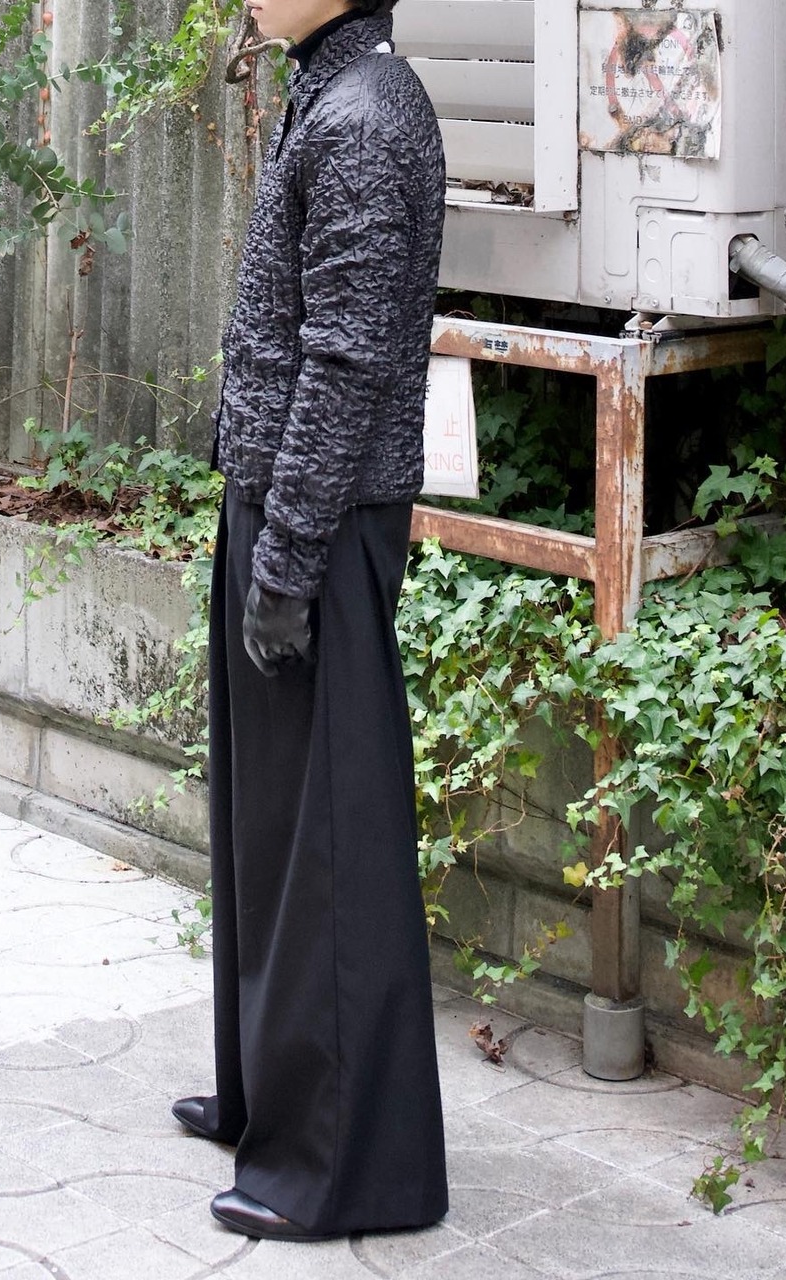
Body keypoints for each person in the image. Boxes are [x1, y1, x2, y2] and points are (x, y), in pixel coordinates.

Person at [171, 0, 448, 1243]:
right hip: (283, 498)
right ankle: (264, 1097)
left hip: (320, 518)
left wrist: (284, 553)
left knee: (329, 842)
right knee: (271, 823)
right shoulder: (326, 91)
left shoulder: (368, 118)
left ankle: (343, 1168)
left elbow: (348, 358)